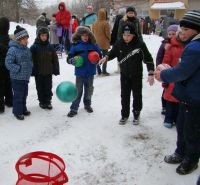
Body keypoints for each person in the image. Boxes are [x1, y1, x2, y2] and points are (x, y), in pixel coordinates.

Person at [155, 10, 200, 175]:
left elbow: (182, 71)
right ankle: (180, 152)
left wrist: (163, 75)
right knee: (181, 127)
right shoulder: (192, 44)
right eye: (182, 28)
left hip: (194, 99)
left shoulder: (195, 47)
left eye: (187, 29)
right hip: (187, 97)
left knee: (192, 132)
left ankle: (191, 160)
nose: (182, 32)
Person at [99, 23, 155, 125]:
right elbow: (112, 53)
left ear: (133, 35)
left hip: (136, 75)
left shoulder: (140, 44)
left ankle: (136, 114)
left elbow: (148, 59)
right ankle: (124, 115)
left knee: (137, 95)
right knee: (124, 95)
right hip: (124, 74)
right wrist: (106, 57)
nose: (126, 37)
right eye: (124, 35)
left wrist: (151, 73)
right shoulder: (119, 43)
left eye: (129, 35)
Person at [67, 26, 102, 117]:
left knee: (89, 90)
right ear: (79, 36)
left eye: (87, 35)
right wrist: (71, 60)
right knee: (78, 91)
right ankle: (74, 108)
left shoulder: (93, 45)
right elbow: (69, 57)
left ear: (89, 35)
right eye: (83, 35)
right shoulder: (75, 46)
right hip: (80, 73)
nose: (85, 37)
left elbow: (99, 56)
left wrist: (96, 60)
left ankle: (87, 104)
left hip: (90, 72)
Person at [5, 26, 33, 120]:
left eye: (26, 38)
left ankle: (23, 109)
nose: (26, 40)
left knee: (24, 94)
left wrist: (31, 67)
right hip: (16, 78)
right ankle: (17, 112)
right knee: (18, 95)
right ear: (18, 40)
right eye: (24, 39)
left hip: (25, 77)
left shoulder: (27, 49)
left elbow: (29, 60)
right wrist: (18, 68)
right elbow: (8, 63)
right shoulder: (13, 49)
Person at [30, 27, 60, 110]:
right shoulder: (34, 47)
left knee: (48, 87)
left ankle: (48, 101)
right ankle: (42, 101)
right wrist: (32, 70)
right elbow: (30, 59)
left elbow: (55, 59)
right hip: (38, 72)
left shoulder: (50, 47)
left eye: (45, 35)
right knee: (40, 87)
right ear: (39, 36)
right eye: (42, 35)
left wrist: (56, 69)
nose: (44, 37)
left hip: (48, 72)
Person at [162, 30, 186, 128]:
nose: (183, 36)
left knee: (181, 100)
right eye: (181, 33)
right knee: (171, 99)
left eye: (184, 33)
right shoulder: (171, 47)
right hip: (172, 76)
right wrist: (165, 76)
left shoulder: (189, 46)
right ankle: (168, 118)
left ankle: (177, 119)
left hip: (184, 77)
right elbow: (165, 62)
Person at [156, 24, 179, 115]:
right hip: (165, 70)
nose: (171, 36)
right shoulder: (165, 44)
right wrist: (159, 67)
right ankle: (164, 106)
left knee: (175, 89)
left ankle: (174, 109)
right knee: (166, 89)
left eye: (174, 34)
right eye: (169, 34)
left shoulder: (180, 45)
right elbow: (159, 56)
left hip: (176, 70)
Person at [92, 8, 111, 75]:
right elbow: (108, 34)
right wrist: (109, 39)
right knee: (105, 56)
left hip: (96, 43)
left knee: (97, 57)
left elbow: (92, 32)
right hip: (104, 43)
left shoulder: (94, 23)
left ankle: (98, 70)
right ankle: (104, 71)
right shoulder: (106, 23)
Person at [0, 17, 13, 113]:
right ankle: (9, 101)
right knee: (8, 83)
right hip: (8, 65)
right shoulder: (9, 39)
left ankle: (1, 106)